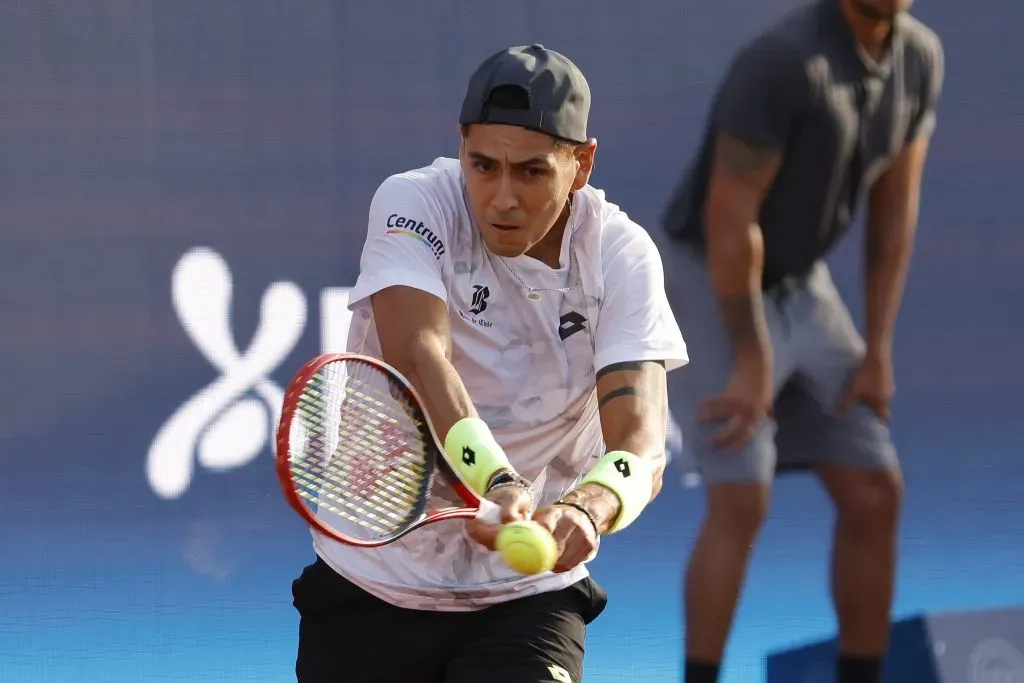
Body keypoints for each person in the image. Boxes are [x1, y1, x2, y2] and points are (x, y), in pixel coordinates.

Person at [291, 44, 689, 683]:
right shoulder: (415, 203)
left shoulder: (620, 255)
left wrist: (589, 507)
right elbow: (419, 357)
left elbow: (640, 445)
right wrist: (500, 484)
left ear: (581, 164)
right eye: (483, 165)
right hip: (372, 583)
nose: (502, 197)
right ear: (461, 148)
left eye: (532, 172)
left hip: (524, 600)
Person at [658, 1, 944, 682]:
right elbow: (729, 221)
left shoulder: (920, 57)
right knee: (742, 495)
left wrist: (877, 347)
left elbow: (894, 210)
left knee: (877, 488)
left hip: (801, 285)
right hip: (707, 273)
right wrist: (753, 360)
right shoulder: (782, 61)